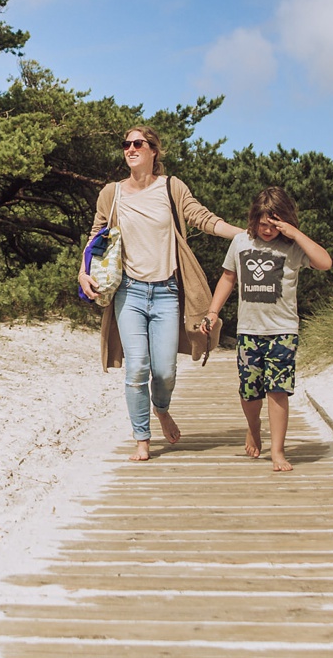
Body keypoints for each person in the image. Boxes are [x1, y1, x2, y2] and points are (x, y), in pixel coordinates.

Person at [79, 126, 243, 461]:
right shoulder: (112, 194)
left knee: (165, 370)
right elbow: (96, 237)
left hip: (167, 291)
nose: (130, 148)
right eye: (126, 144)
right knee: (137, 368)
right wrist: (83, 273)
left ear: (154, 151)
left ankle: (162, 408)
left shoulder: (171, 187)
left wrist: (244, 235)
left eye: (138, 143)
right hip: (130, 293)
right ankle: (142, 438)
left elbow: (203, 218)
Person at [203, 186, 331, 472]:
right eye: (262, 224)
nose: (267, 230)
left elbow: (325, 263)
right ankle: (254, 427)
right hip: (249, 331)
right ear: (253, 219)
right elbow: (227, 278)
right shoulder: (240, 242)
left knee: (278, 390)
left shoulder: (293, 247)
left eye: (274, 225)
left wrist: (295, 233)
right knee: (250, 392)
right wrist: (213, 312)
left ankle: (278, 450)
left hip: (283, 330)